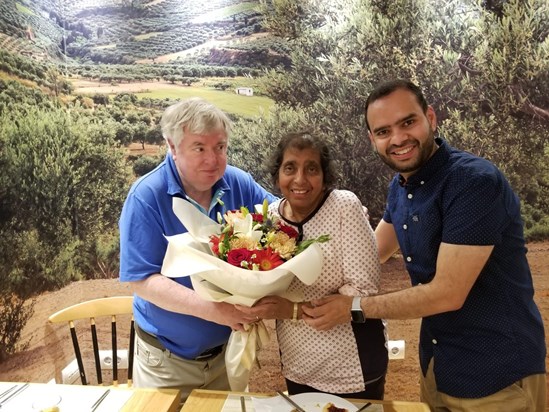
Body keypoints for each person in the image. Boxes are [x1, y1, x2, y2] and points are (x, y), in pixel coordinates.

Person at [305, 79, 547, 411]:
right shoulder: (400, 187)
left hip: (496, 373)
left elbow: (448, 292)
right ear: (372, 139)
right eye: (383, 131)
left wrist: (352, 308)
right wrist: (291, 266)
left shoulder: (473, 183)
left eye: (408, 122)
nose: (398, 138)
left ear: (430, 118)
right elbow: (371, 255)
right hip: (438, 366)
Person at [118, 97, 276, 401]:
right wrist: (218, 312)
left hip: (227, 357)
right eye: (199, 148)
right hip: (166, 363)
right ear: (172, 147)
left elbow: (282, 217)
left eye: (220, 147)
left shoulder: (238, 182)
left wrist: (332, 210)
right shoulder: (146, 197)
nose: (213, 160)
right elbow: (142, 281)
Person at [236, 131, 388, 399]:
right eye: (290, 168)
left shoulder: (344, 206)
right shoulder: (270, 219)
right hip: (298, 365)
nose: (300, 179)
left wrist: (292, 310)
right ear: (277, 175)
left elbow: (364, 289)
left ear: (324, 176)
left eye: (311, 169)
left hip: (353, 366)